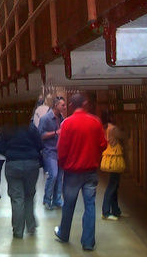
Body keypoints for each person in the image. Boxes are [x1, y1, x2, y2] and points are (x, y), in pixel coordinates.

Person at [54, 92, 108, 252]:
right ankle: (88, 242)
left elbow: (61, 150)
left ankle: (64, 234)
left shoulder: (67, 124)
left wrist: (63, 165)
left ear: (71, 106)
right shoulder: (95, 122)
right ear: (84, 104)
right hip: (90, 171)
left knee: (68, 205)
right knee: (90, 205)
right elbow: (103, 145)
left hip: (72, 172)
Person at [0, 122, 43, 239]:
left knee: (17, 198)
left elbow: (0, 148)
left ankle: (18, 231)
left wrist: (10, 153)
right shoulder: (32, 127)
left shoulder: (7, 128)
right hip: (31, 164)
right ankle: (31, 227)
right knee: (29, 195)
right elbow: (40, 145)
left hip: (13, 164)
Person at [37, 94, 66, 210]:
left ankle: (57, 200)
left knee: (59, 177)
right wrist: (55, 133)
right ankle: (47, 199)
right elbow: (40, 135)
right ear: (56, 105)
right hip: (49, 151)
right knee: (53, 175)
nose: (64, 107)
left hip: (60, 151)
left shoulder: (62, 118)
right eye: (62, 105)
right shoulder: (45, 119)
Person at [100, 110, 127, 220]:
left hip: (110, 156)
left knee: (114, 185)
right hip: (115, 157)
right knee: (112, 185)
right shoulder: (114, 129)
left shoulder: (106, 128)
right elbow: (124, 136)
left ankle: (115, 210)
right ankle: (106, 212)